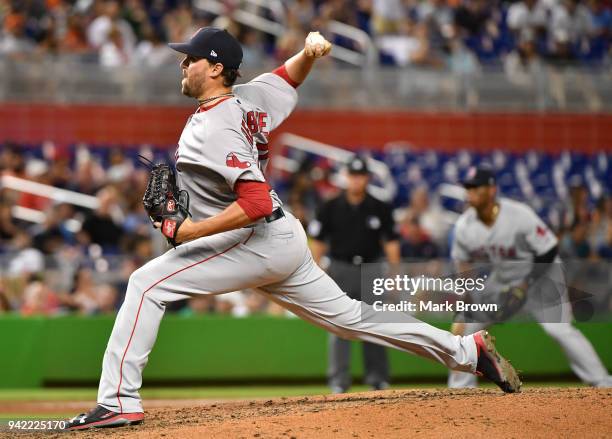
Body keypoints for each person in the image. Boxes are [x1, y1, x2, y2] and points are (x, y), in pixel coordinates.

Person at [65, 28, 519, 431]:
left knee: (145, 285)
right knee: (351, 319)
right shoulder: (250, 99)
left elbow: (256, 203)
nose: (183, 64)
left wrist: (192, 231)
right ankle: (467, 351)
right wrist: (309, 53)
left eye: (191, 58)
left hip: (253, 238)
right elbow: (286, 78)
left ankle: (118, 401)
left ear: (216, 68)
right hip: (282, 239)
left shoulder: (216, 125)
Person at [448, 167, 612, 389]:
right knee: (467, 325)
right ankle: (460, 389)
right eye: (468, 187)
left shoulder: (518, 214)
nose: (470, 192)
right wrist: (465, 303)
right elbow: (463, 266)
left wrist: (525, 285)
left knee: (559, 329)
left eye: (475, 187)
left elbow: (549, 249)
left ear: (492, 189)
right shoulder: (464, 226)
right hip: (505, 277)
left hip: (543, 275)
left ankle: (602, 382)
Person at [309, 156, 400, 393]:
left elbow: (391, 244)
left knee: (376, 324)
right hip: (339, 269)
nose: (357, 180)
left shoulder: (379, 207)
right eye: (353, 175)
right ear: (346, 177)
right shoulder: (330, 206)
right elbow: (317, 242)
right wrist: (316, 272)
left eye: (361, 175)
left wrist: (394, 275)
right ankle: (338, 380)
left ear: (367, 178)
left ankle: (377, 378)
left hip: (371, 269)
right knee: (338, 325)